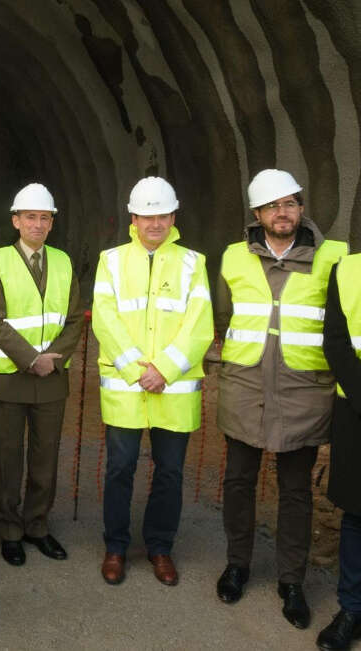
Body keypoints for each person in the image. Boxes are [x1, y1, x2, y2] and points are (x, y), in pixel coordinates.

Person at [214, 169, 348, 629]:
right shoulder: (233, 257)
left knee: (295, 490)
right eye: (272, 206)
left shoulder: (335, 257)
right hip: (246, 385)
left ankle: (291, 581)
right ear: (257, 214)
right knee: (238, 481)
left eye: (290, 203)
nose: (282, 212)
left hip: (303, 390)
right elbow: (225, 314)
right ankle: (238, 564)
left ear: (302, 206)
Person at [92, 176, 212, 587]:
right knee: (119, 469)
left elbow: (200, 326)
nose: (155, 223)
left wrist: (164, 370)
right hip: (127, 389)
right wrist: (136, 371)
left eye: (162, 215)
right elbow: (105, 320)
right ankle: (116, 547)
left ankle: (160, 547)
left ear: (174, 216)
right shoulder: (111, 261)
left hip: (173, 390)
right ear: (134, 218)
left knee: (170, 473)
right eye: (147, 216)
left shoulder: (193, 263)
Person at [0, 183, 84, 566]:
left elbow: (75, 319)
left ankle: (37, 526)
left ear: (51, 222)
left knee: (45, 458)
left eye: (44, 218)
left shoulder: (63, 261)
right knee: (8, 460)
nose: (37, 224)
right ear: (16, 221)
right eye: (30, 217)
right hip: (11, 377)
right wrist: (31, 359)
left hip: (52, 378)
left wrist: (53, 361)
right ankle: (9, 530)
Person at [318, 252, 361, 649]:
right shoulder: (347, 270)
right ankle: (351, 608)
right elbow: (335, 340)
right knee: (357, 513)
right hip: (357, 410)